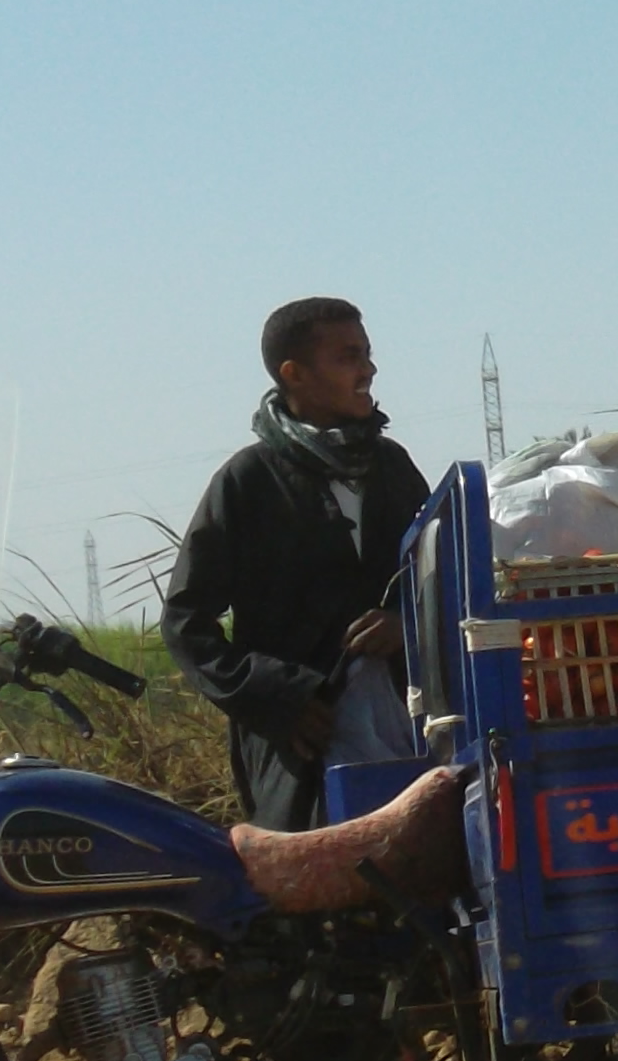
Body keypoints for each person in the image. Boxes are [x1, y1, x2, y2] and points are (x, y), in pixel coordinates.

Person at [162, 297, 432, 832]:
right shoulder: (248, 482)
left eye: (368, 354)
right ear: (295, 375)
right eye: (348, 357)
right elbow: (185, 623)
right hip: (303, 750)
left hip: (411, 730)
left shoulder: (393, 468)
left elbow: (441, 579)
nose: (368, 370)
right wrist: (277, 696)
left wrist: (406, 626)